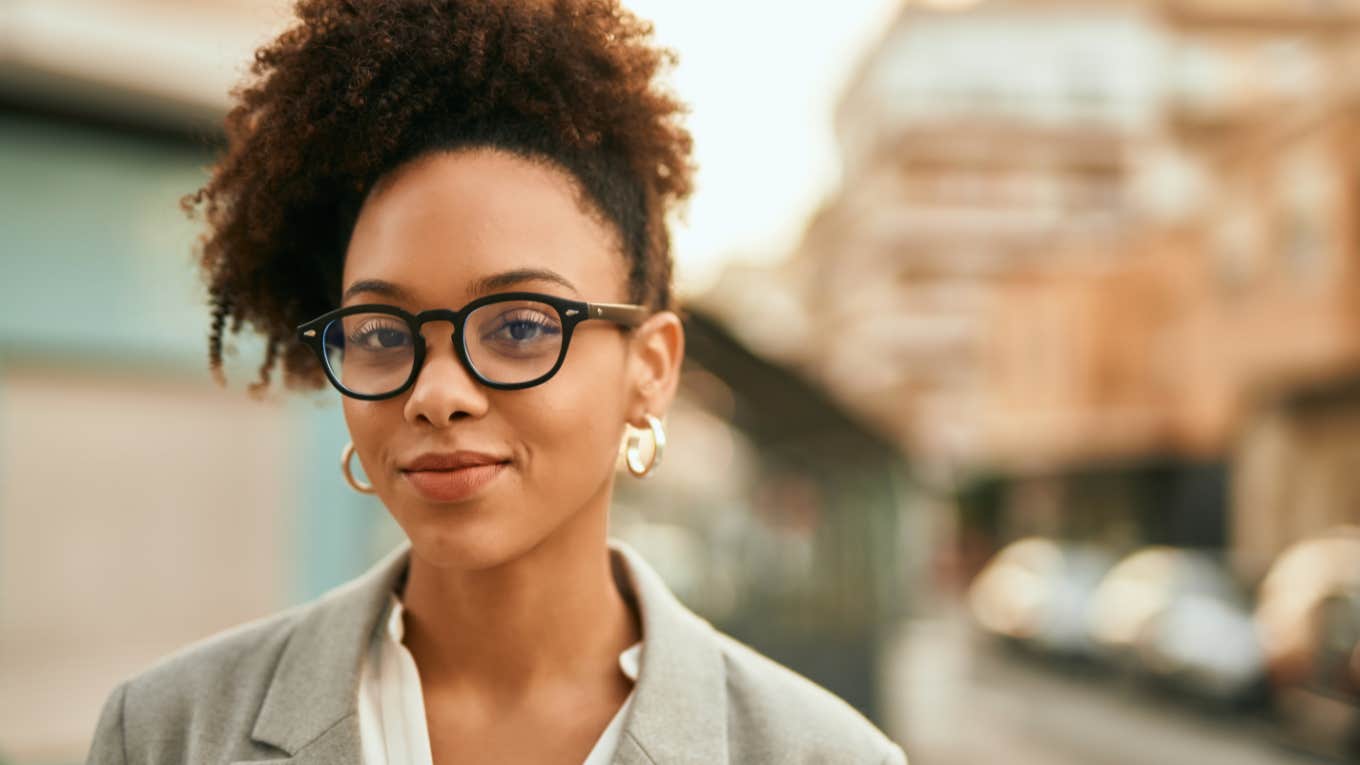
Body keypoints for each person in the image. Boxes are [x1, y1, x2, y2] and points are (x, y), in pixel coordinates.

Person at [85, 0, 907, 762]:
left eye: (519, 326)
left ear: (650, 368)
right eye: (378, 332)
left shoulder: (824, 754)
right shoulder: (171, 730)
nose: (436, 393)